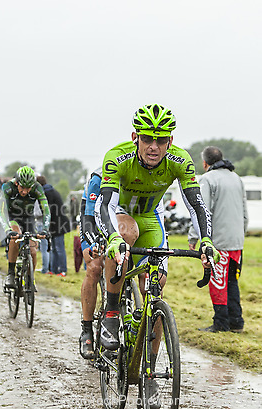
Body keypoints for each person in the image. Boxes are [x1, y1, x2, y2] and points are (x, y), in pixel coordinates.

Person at [91, 104, 219, 406]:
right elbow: (104, 204)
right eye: (148, 139)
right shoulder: (117, 156)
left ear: (170, 142)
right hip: (120, 214)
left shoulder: (179, 160)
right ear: (135, 137)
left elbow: (197, 205)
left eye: (161, 141)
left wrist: (206, 242)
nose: (153, 147)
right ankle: (111, 312)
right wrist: (111, 237)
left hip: (150, 218)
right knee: (123, 239)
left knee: (157, 287)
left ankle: (148, 375)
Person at [78, 167, 138, 359]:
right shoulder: (98, 178)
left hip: (123, 218)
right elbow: (88, 219)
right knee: (95, 267)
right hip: (93, 220)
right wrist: (95, 242)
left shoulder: (140, 174)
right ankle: (87, 329)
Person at [188, 146, 248, 333]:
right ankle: (236, 321)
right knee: (232, 281)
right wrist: (240, 234)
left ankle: (221, 322)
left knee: (217, 282)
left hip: (218, 243)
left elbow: (201, 210)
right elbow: (245, 213)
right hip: (236, 242)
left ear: (205, 163)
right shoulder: (236, 178)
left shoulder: (207, 179)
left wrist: (193, 236)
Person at [0, 166, 51, 288]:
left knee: (33, 251)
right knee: (15, 237)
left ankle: (30, 279)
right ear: (17, 183)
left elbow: (46, 210)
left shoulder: (37, 188)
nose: (24, 192)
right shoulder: (7, 187)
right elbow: (1, 211)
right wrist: (7, 230)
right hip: (13, 217)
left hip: (28, 218)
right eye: (22, 187)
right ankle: (11, 274)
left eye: (28, 188)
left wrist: (45, 229)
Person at [37, 175, 71, 276]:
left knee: (59, 248)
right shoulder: (49, 190)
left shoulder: (48, 193)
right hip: (55, 225)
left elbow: (48, 211)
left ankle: (62, 270)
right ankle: (54, 269)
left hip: (59, 224)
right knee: (54, 248)